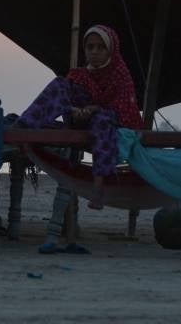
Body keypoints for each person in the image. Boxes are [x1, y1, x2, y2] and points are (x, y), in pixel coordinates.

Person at [14, 24, 144, 210]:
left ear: (111, 50)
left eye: (101, 47)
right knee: (60, 83)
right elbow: (65, 99)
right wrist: (73, 110)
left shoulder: (121, 75)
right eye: (90, 47)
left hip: (106, 120)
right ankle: (25, 126)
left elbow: (125, 108)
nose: (95, 51)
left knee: (103, 121)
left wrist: (94, 110)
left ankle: (98, 187)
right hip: (77, 118)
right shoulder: (79, 74)